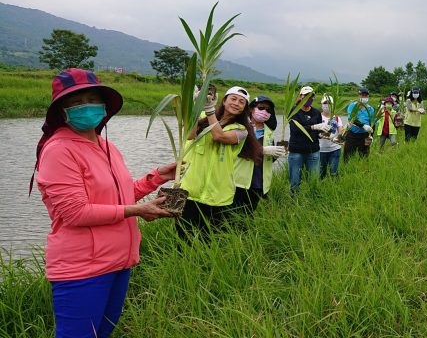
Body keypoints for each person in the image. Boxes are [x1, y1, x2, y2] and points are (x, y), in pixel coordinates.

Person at [34, 68, 175, 337]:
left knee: (102, 332)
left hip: (118, 262)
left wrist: (157, 176)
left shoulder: (106, 146)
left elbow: (118, 197)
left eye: (91, 99)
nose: (85, 107)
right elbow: (76, 213)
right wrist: (137, 211)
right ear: (62, 111)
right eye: (75, 102)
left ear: (103, 105)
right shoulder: (60, 150)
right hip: (82, 269)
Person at [177, 86, 262, 238]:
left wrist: (209, 110)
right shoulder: (202, 116)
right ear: (223, 101)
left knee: (208, 238)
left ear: (245, 108)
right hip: (190, 189)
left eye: (241, 102)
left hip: (217, 193)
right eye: (233, 99)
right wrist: (196, 108)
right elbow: (189, 135)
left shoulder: (241, 129)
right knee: (183, 236)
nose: (236, 103)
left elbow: (219, 136)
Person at [242, 95, 286, 209]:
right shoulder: (241, 127)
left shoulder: (269, 132)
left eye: (268, 110)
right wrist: (263, 150)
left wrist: (277, 153)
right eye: (261, 108)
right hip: (240, 179)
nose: (264, 111)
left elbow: (269, 160)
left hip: (258, 179)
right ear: (251, 109)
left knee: (250, 210)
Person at [287, 86, 330, 193]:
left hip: (313, 151)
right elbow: (295, 129)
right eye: (306, 95)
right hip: (296, 151)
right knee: (295, 180)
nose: (308, 98)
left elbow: (318, 132)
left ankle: (313, 199)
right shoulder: (293, 111)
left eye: (311, 96)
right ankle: (294, 199)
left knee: (314, 179)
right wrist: (313, 127)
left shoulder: (316, 112)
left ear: (314, 98)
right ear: (301, 96)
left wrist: (323, 134)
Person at [344, 88, 376, 161]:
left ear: (368, 97)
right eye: (362, 95)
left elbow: (373, 123)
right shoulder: (353, 106)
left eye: (365, 96)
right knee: (348, 156)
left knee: (364, 156)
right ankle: (347, 169)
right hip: (353, 134)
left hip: (365, 135)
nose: (364, 97)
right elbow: (352, 118)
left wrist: (371, 136)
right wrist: (363, 125)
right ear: (358, 96)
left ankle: (363, 168)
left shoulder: (370, 109)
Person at [319, 95, 343, 178]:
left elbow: (341, 131)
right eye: (325, 103)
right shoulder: (317, 117)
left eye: (329, 103)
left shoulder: (336, 118)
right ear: (321, 104)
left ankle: (334, 187)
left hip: (335, 149)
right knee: (321, 173)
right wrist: (320, 134)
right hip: (321, 150)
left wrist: (341, 136)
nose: (327, 105)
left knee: (334, 172)